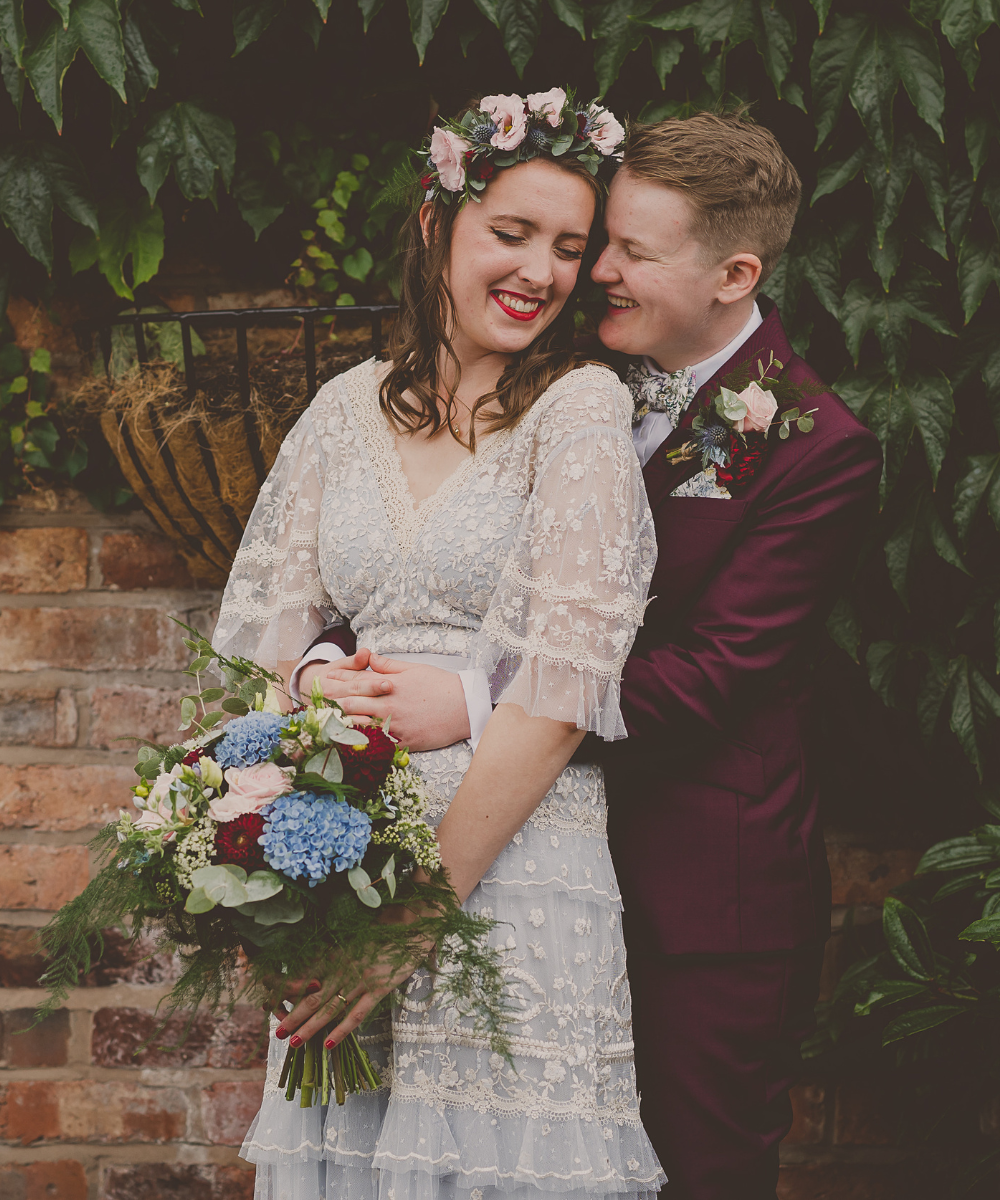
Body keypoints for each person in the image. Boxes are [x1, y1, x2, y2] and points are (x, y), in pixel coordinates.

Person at [294, 111, 883, 1199]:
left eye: (628, 253)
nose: (592, 272)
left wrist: (475, 703)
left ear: (733, 272)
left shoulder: (817, 450)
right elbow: (432, 560)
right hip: (526, 867)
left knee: (696, 1175)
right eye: (594, 242)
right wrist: (330, 663)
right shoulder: (548, 377)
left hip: (695, 891)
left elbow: (710, 674)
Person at [211, 90, 666, 1198]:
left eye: (568, 247)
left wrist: (414, 923)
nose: (540, 272)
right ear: (437, 225)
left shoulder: (582, 410)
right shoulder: (343, 407)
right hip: (346, 854)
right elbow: (267, 642)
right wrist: (321, 681)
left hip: (513, 869)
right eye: (510, 234)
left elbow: (563, 691)